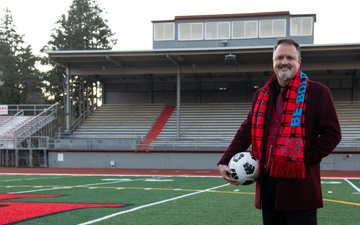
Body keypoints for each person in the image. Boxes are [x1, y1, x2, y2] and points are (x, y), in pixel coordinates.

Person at [217, 38, 341, 225]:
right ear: (273, 62)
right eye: (279, 57)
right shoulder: (261, 95)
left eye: (290, 57)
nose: (284, 62)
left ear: (299, 62)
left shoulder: (317, 92)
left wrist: (304, 158)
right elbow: (248, 128)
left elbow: (333, 133)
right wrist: (225, 159)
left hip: (301, 185)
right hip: (268, 185)